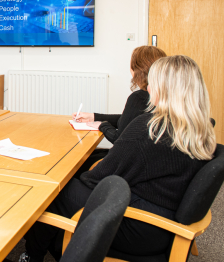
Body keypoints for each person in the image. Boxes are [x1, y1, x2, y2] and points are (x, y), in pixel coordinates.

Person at [22, 55, 216, 261]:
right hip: (162, 222)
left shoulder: (150, 129)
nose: (149, 89)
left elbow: (97, 180)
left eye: (154, 84)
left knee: (50, 191)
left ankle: (32, 256)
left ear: (166, 89)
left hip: (138, 227)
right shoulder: (199, 127)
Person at [73, 46, 167, 143]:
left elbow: (119, 139)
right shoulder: (166, 95)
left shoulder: (139, 98)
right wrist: (94, 117)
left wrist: (102, 125)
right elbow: (128, 120)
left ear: (136, 69)